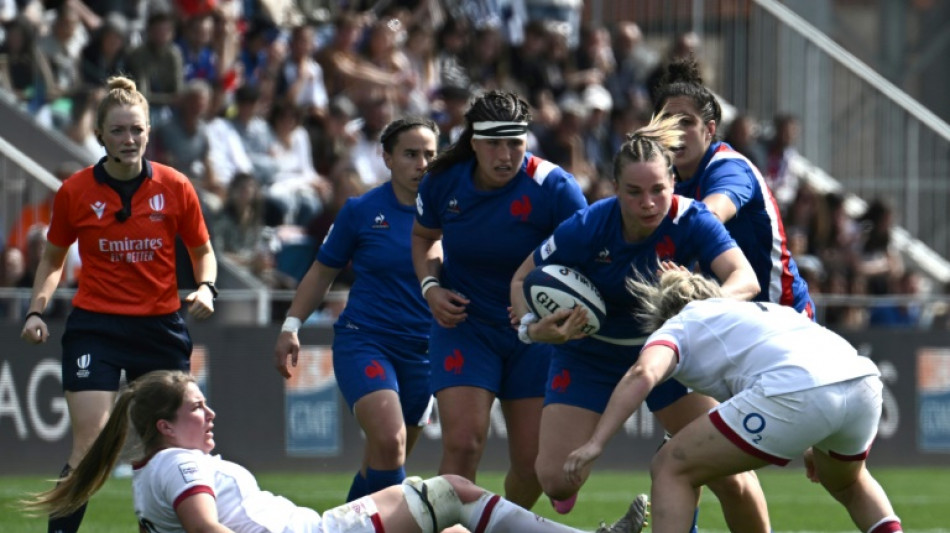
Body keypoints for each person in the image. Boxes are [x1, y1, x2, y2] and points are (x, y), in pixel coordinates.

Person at [509, 113, 770, 532]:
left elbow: (746, 279)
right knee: (556, 481)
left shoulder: (691, 218)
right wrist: (532, 328)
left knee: (732, 477)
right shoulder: (590, 224)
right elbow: (522, 278)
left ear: (673, 185)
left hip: (669, 355)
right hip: (588, 354)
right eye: (633, 192)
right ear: (615, 189)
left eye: (658, 191)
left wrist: (698, 296)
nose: (648, 203)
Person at [26, 369, 649, 533]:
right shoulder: (182, 465)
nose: (209, 413)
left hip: (320, 525)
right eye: (196, 408)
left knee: (451, 523)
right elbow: (206, 529)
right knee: (454, 493)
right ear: (165, 426)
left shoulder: (152, 472)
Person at [19, 75, 218, 533]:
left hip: (161, 329)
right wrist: (36, 310)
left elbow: (202, 252)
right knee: (89, 444)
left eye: (137, 130)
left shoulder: (176, 186)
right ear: (100, 137)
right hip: (96, 329)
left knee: (174, 451)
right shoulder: (75, 191)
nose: (129, 140)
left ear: (148, 132)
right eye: (118, 131)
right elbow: (52, 259)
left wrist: (206, 287)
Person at [564, 268, 903, 533]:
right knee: (849, 483)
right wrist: (816, 435)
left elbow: (643, 374)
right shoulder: (761, 311)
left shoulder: (679, 324)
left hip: (800, 389)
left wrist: (596, 442)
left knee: (670, 466)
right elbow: (802, 369)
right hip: (861, 380)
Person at [412, 89, 588, 510]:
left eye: (515, 142)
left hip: (536, 336)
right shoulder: (442, 181)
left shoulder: (556, 188)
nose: (505, 154)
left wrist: (556, 324)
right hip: (465, 327)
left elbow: (588, 266)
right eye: (494, 143)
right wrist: (430, 287)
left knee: (531, 466)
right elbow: (423, 239)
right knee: (463, 441)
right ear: (473, 141)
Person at [273, 116, 440, 502]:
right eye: (411, 154)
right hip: (366, 341)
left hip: (426, 352)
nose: (422, 164)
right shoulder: (361, 210)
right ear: (386, 158)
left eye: (430, 155)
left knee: (380, 463)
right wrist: (291, 326)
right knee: (390, 439)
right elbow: (320, 273)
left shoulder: (453, 214)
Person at [654, 55, 815, 317]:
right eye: (667, 122)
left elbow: (708, 216)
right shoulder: (665, 179)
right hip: (728, 315)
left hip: (781, 315)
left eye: (686, 122)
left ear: (709, 129)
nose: (676, 131)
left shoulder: (729, 167)